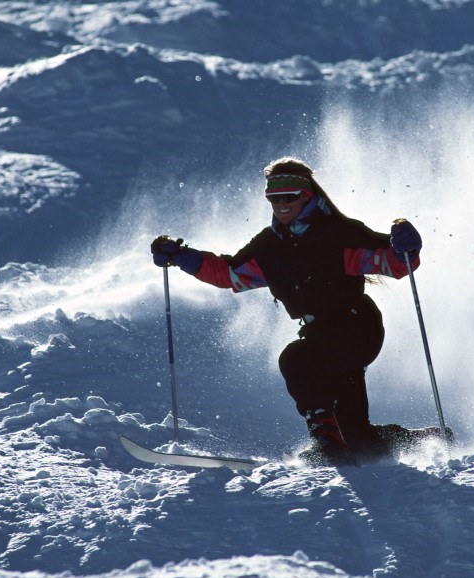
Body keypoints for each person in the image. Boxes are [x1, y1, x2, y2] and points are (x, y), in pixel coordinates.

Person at [151, 157, 446, 465]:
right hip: (319, 332)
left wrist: (406, 248)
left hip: (356, 326)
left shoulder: (337, 233)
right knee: (358, 438)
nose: (281, 204)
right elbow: (229, 274)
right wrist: (181, 257)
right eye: (273, 198)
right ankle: (422, 441)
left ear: (306, 195)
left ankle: (326, 444)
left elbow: (391, 262)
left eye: (288, 197)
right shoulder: (269, 247)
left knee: (296, 359)